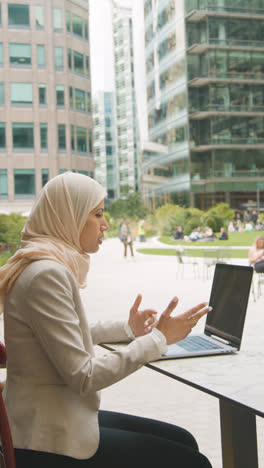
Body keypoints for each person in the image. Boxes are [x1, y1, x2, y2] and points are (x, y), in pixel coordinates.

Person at [0, 172, 212, 468]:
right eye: (97, 213)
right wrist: (158, 339)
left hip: (53, 417)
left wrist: (128, 329)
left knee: (184, 440)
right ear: (69, 216)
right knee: (191, 461)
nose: (106, 224)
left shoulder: (42, 263)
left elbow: (62, 335)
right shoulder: (46, 274)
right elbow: (84, 376)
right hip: (47, 436)